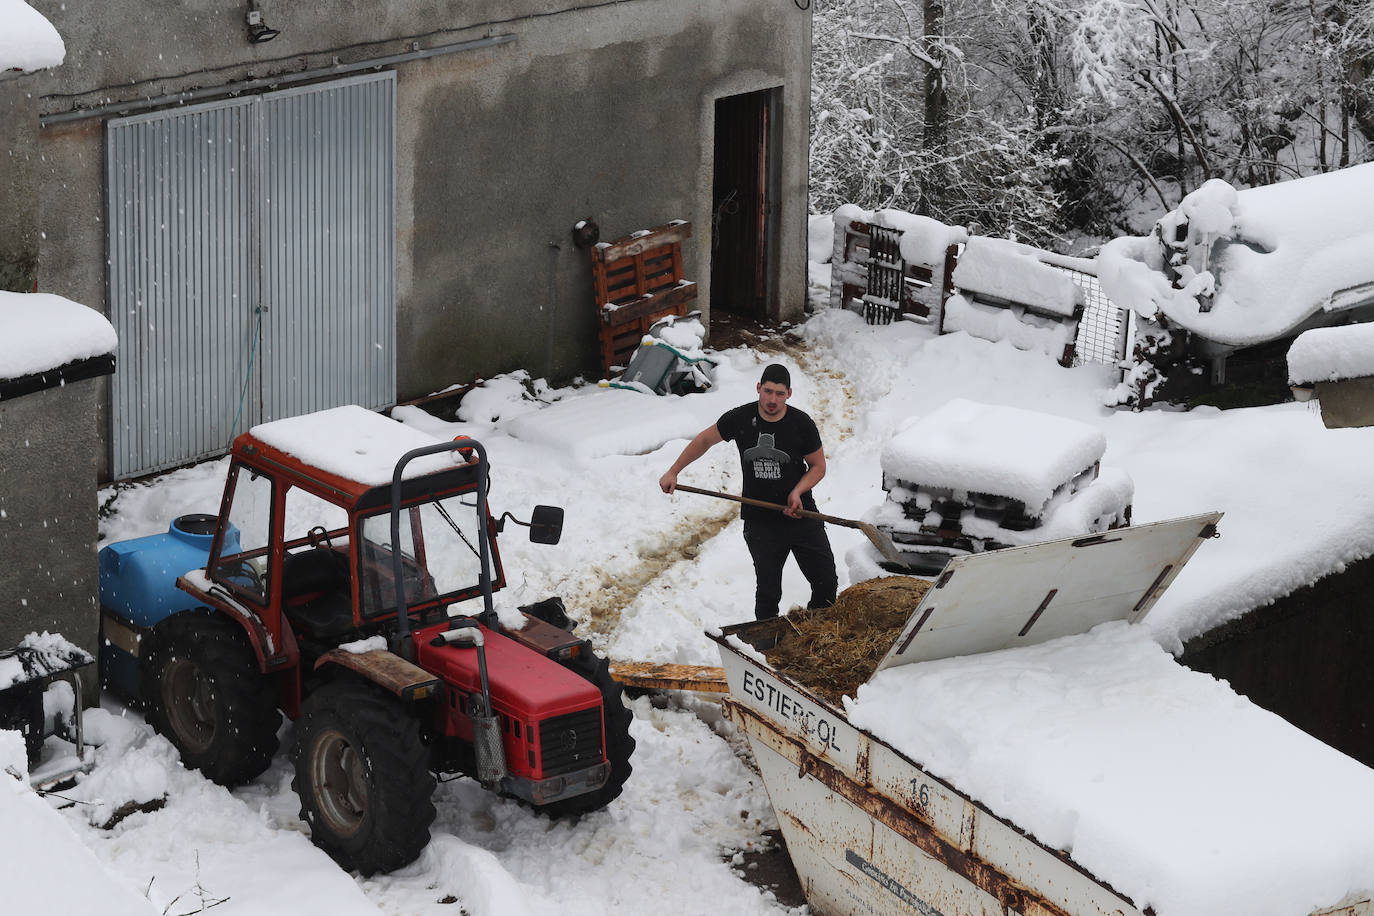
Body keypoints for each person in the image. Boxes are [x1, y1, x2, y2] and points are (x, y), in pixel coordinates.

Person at [659, 363, 838, 620]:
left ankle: (817, 636)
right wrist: (674, 470)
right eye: (768, 391)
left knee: (826, 583)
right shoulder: (741, 418)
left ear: (789, 393)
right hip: (761, 521)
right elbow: (704, 440)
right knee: (768, 593)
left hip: (802, 516)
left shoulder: (801, 424)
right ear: (758, 388)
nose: (772, 399)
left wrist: (798, 491)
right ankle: (768, 649)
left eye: (779, 393)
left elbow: (818, 467)